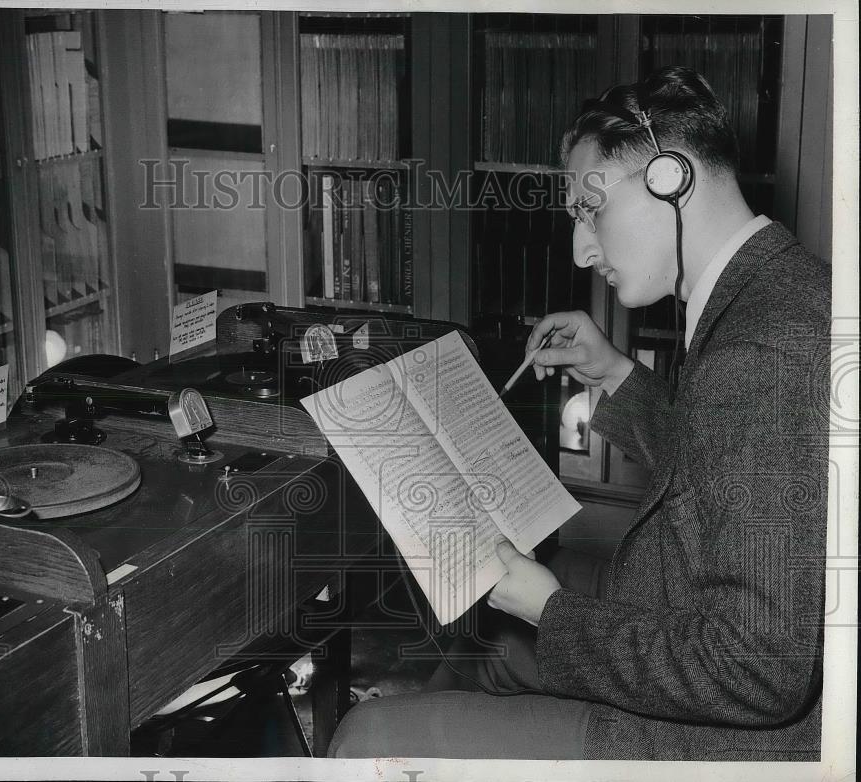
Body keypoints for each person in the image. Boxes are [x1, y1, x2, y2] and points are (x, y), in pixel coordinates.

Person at [328, 65, 830, 761]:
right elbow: (727, 473)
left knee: (366, 739)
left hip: (727, 741)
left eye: (590, 210)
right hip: (702, 619)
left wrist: (548, 608)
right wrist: (616, 374)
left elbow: (761, 669)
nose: (580, 250)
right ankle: (439, 726)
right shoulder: (781, 288)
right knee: (490, 645)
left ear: (670, 178)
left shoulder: (760, 353)